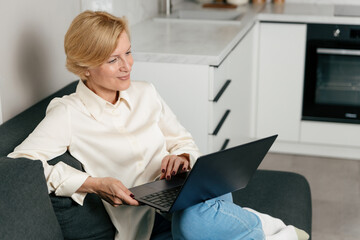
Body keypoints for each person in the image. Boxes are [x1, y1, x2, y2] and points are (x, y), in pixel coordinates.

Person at [8, 11, 308, 240]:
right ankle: (270, 229)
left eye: (128, 52)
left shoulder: (146, 92)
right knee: (195, 224)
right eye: (113, 59)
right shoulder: (68, 114)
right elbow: (18, 165)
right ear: (86, 67)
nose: (128, 65)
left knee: (195, 216)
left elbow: (184, 142)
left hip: (189, 190)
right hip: (148, 219)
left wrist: (180, 158)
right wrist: (94, 184)